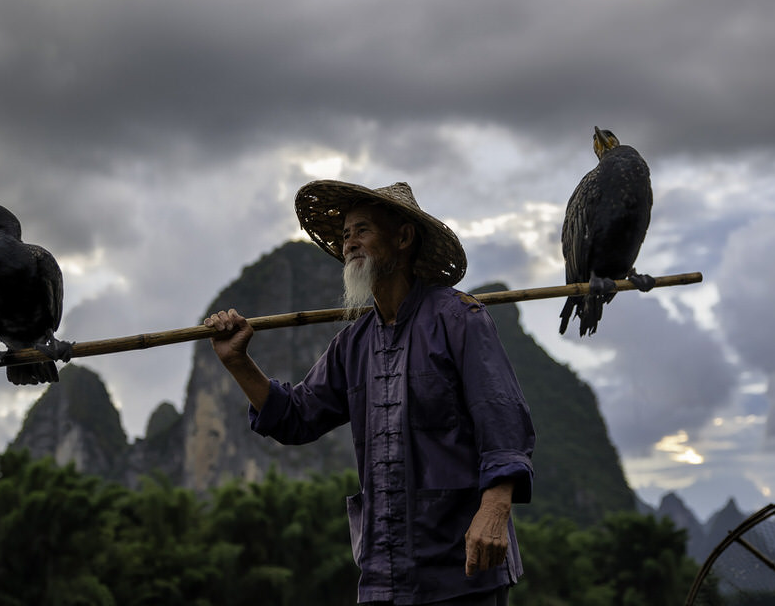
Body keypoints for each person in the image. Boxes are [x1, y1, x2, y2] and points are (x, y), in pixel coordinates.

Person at [205, 180, 535, 606]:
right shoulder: (353, 344)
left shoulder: (460, 319)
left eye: (362, 231)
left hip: (462, 569)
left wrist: (493, 512)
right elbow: (297, 417)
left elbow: (503, 421)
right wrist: (237, 362)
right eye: (344, 236)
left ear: (402, 238)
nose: (350, 244)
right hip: (384, 575)